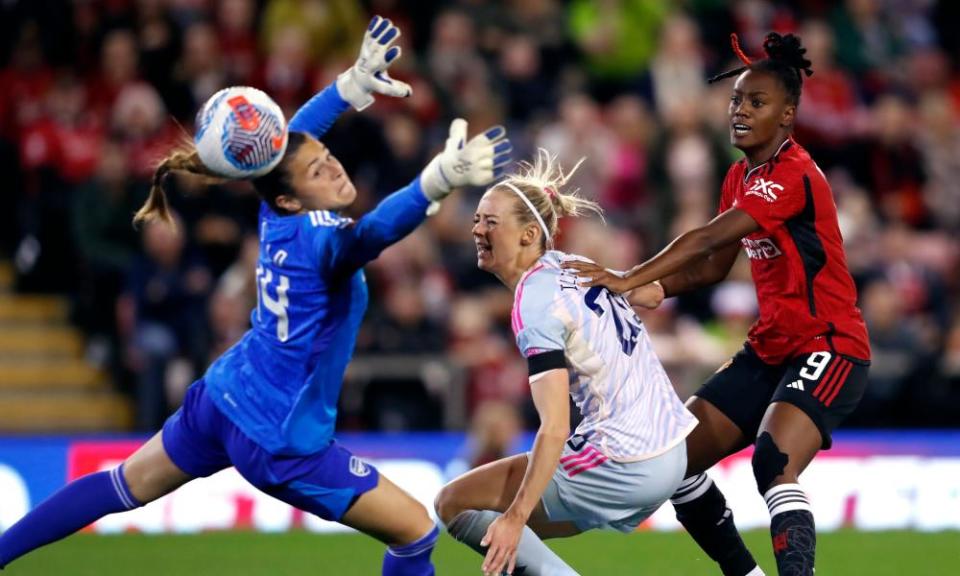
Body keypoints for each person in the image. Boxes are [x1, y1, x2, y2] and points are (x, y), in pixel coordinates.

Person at [0, 17, 512, 575]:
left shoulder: (277, 208)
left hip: (225, 398)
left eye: (327, 155)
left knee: (124, 483)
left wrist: (349, 86)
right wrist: (434, 181)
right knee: (415, 531)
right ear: (294, 196)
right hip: (280, 436)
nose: (333, 165)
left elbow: (291, 140)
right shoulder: (323, 238)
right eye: (319, 169)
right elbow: (373, 233)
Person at [564, 33, 871, 576]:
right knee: (671, 463)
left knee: (773, 460)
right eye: (736, 101)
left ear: (787, 116)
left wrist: (627, 275)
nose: (740, 111)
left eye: (757, 102)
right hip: (770, 347)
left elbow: (705, 239)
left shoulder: (793, 173)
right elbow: (711, 266)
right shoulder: (739, 177)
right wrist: (659, 290)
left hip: (830, 345)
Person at [434, 150, 698, 576]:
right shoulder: (575, 265)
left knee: (457, 503)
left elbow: (554, 426)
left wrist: (516, 518)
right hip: (672, 448)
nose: (477, 229)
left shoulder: (533, 301)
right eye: (477, 219)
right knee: (509, 531)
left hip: (623, 459)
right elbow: (648, 294)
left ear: (526, 235)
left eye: (490, 221)